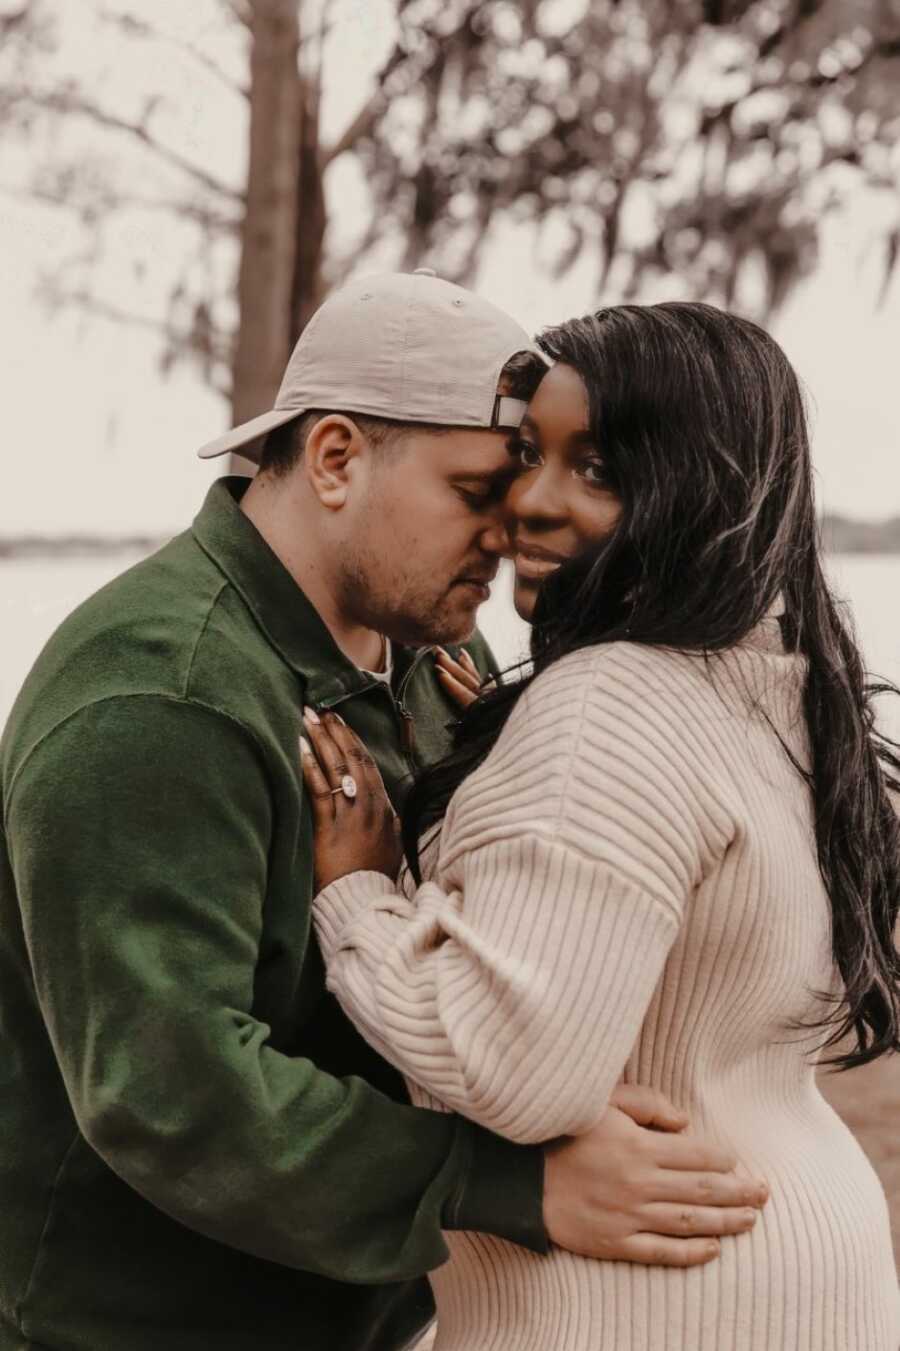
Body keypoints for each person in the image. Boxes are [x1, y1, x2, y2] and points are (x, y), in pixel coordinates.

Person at [0, 275, 765, 1351]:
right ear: (336, 457)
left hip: (353, 1314)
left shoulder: (436, 650)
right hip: (137, 1324)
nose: (514, 531)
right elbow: (172, 1095)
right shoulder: (157, 700)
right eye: (476, 489)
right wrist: (510, 1184)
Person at [301, 301, 900, 1350]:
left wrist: (358, 898)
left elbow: (520, 1068)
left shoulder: (608, 702)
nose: (525, 502)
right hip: (804, 1262)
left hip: (650, 1298)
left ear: (696, 488)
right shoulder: (784, 690)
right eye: (529, 453)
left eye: (598, 467)